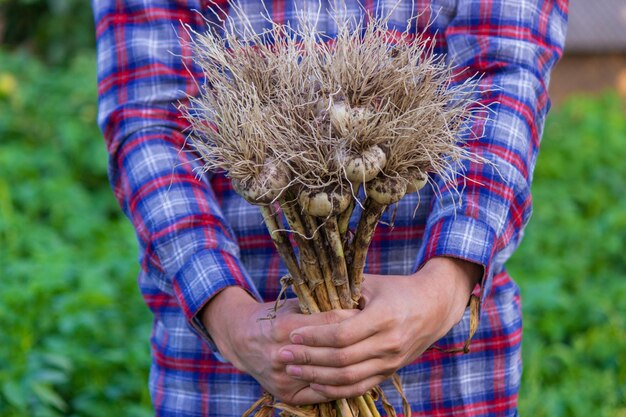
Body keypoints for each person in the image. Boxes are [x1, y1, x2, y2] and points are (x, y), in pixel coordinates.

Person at [93, 0, 568, 415]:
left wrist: (442, 289)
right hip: (225, 371)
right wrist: (231, 320)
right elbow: (151, 120)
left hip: (445, 369)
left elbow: (504, 78)